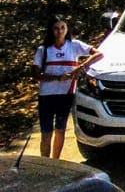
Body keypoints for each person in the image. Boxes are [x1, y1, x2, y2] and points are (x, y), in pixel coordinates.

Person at [33, 16, 101, 158]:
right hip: (46, 95)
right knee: (46, 132)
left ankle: (56, 162)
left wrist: (81, 67)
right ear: (51, 31)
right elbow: (36, 74)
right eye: (56, 28)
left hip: (66, 94)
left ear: (67, 29)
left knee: (60, 129)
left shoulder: (74, 45)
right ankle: (45, 163)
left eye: (63, 28)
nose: (60, 31)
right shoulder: (43, 50)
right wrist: (56, 78)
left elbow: (99, 54)